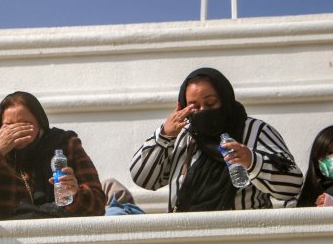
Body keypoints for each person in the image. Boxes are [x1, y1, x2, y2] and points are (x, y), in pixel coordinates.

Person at [130, 67, 304, 212]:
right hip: (187, 243)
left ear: (225, 99)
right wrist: (163, 136)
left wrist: (252, 161)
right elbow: (143, 179)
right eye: (194, 106)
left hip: (244, 242)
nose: (203, 111)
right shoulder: (183, 137)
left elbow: (292, 184)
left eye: (211, 103)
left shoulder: (255, 131)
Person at [0, 91, 106, 220]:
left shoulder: (66, 145)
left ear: (40, 124)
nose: (16, 131)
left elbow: (98, 208)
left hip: (60, 238)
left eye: (25, 123)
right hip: (12, 243)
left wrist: (75, 193)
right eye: (9, 125)